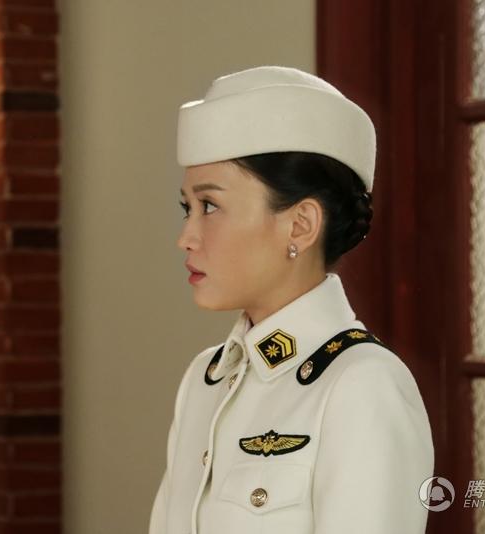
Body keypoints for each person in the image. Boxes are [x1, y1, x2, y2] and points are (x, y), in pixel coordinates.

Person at [149, 66, 433, 533]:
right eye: (188, 208)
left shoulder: (362, 385)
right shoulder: (205, 379)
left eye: (210, 206)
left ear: (300, 225)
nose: (186, 237)